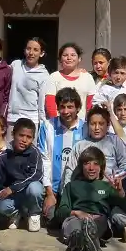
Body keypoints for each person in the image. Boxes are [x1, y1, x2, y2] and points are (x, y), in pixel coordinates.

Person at [58, 147, 126, 251]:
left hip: (98, 219)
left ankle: (83, 244)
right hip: (76, 218)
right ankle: (83, 244)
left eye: (96, 164)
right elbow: (61, 211)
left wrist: (120, 192)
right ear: (81, 166)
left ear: (101, 167)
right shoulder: (72, 186)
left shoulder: (107, 187)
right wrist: (76, 212)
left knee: (95, 225)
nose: (91, 168)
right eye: (87, 163)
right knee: (75, 228)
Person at [37, 88, 87, 223]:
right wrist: (48, 193)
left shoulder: (86, 128)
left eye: (70, 107)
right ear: (57, 107)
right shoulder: (47, 126)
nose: (66, 111)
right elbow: (44, 160)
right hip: (52, 190)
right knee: (52, 219)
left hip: (77, 190)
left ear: (78, 108)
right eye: (62, 107)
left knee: (71, 220)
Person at [61, 107, 126, 193]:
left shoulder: (115, 141)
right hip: (86, 192)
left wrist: (115, 177)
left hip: (110, 191)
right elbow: (70, 171)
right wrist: (66, 194)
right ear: (87, 125)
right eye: (93, 124)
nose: (97, 128)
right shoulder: (80, 146)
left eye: (101, 123)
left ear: (108, 125)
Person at [0, 119, 44, 232]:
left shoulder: (35, 153)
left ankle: (34, 214)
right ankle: (15, 214)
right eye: (21, 135)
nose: (24, 140)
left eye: (29, 137)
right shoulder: (4, 155)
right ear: (13, 134)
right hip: (13, 197)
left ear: (33, 139)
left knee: (35, 187)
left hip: (28, 193)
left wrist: (13, 188)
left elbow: (36, 175)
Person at [7, 37, 50, 137]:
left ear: (41, 53)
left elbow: (42, 101)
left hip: (31, 120)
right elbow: (0, 73)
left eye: (36, 50)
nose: (31, 53)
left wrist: (42, 122)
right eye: (28, 48)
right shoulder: (15, 65)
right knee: (10, 150)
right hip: (12, 117)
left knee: (28, 151)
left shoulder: (44, 75)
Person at [43, 43, 96, 120]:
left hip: (81, 125)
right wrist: (56, 123)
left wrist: (88, 122)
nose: (69, 58)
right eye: (65, 55)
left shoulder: (87, 77)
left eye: (73, 55)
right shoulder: (54, 77)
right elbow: (50, 104)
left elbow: (91, 104)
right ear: (60, 59)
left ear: (79, 58)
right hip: (58, 124)